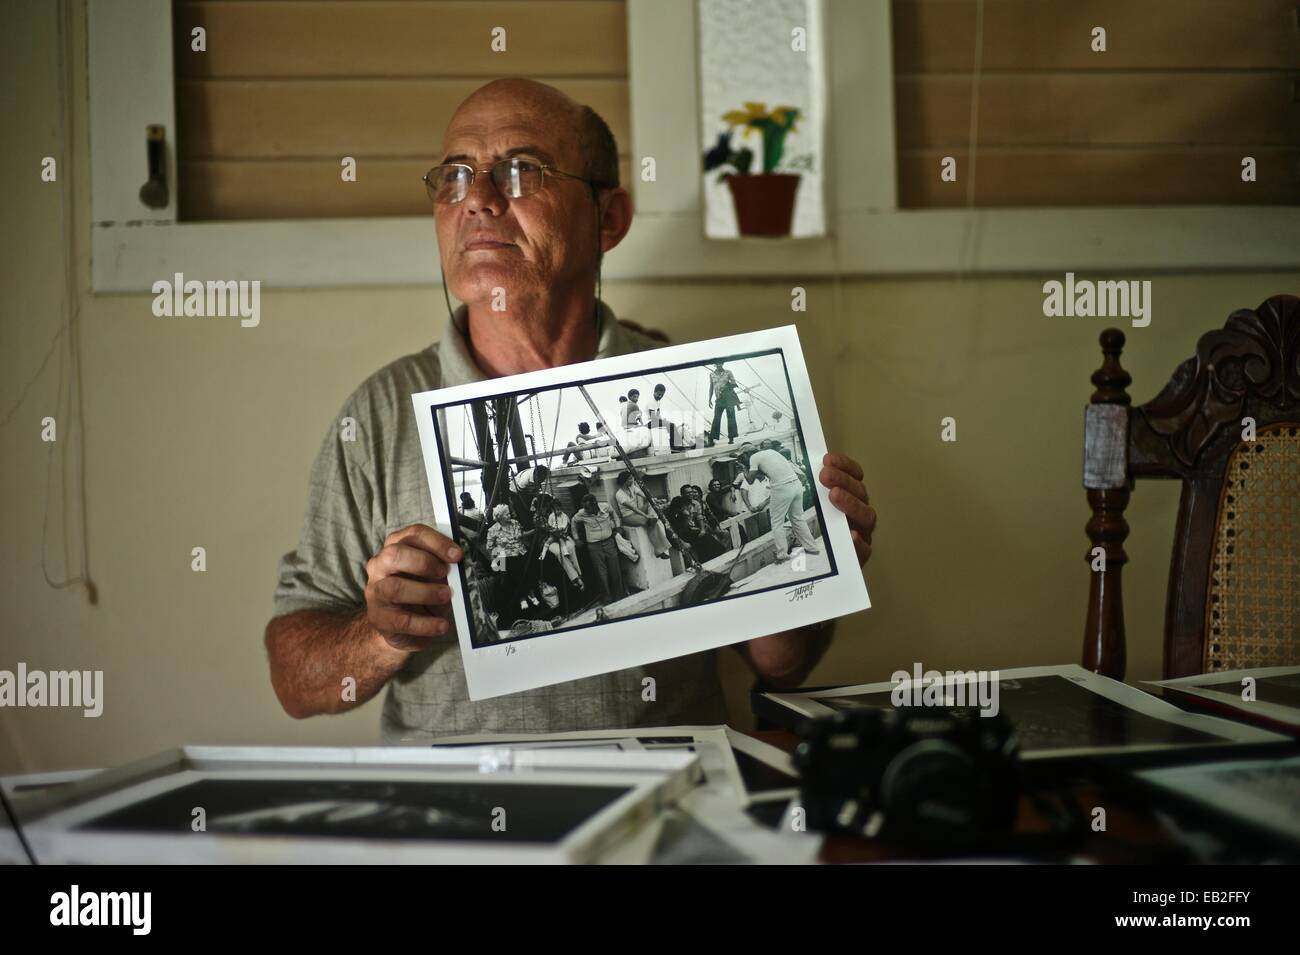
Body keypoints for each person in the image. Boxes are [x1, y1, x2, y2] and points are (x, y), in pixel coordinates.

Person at [265, 77, 876, 738]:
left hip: (665, 809)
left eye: (522, 171)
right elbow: (296, 683)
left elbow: (780, 665)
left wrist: (808, 553)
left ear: (607, 220)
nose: (479, 200)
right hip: (460, 822)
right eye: (455, 176)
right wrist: (381, 635)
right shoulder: (381, 412)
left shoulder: (692, 387)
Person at [735, 442, 820, 562]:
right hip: (796, 485)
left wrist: (743, 468)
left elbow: (749, 480)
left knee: (776, 522)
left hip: (782, 487)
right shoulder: (771, 452)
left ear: (747, 454)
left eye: (743, 457)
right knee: (797, 518)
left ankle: (782, 554)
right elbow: (767, 471)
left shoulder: (754, 458)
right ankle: (812, 548)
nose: (743, 459)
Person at [571, 493, 627, 603]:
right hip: (594, 546)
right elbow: (573, 522)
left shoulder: (606, 506)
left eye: (589, 508)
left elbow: (614, 515)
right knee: (601, 574)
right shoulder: (581, 513)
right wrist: (576, 538)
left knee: (615, 570)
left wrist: (618, 526)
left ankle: (619, 595)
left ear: (595, 504)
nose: (587, 510)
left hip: (609, 542)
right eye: (585, 508)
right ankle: (607, 597)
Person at [484, 504, 533, 625]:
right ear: (499, 517)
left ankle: (528, 595)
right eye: (506, 514)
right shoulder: (493, 530)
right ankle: (522, 599)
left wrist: (533, 531)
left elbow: (519, 536)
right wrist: (497, 559)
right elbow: (489, 547)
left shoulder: (515, 523)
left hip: (520, 553)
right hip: (505, 557)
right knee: (508, 578)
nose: (509, 515)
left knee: (525, 572)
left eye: (509, 513)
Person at [613, 470, 671, 559]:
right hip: (628, 517)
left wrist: (657, 500)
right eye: (630, 479)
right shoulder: (619, 494)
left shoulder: (632, 487)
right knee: (650, 522)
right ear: (624, 481)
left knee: (651, 505)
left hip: (637, 512)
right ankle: (659, 550)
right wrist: (646, 515)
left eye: (632, 479)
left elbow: (646, 496)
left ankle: (653, 519)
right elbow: (633, 508)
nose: (632, 481)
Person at [540, 497, 584, 593]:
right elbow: (548, 526)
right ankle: (575, 578)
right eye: (555, 509)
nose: (557, 511)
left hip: (562, 535)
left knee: (571, 547)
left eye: (559, 509)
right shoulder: (546, 516)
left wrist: (561, 530)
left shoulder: (563, 515)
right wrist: (554, 530)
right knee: (559, 552)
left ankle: (579, 574)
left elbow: (565, 525)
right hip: (552, 536)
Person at [708, 361, 741, 444]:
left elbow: (734, 383)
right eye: (717, 363)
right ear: (715, 365)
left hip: (728, 398)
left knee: (731, 417)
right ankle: (712, 439)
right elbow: (711, 387)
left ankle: (731, 438)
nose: (718, 365)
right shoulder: (712, 374)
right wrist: (709, 399)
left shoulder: (728, 372)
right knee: (716, 418)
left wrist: (726, 387)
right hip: (719, 399)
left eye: (720, 363)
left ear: (722, 364)